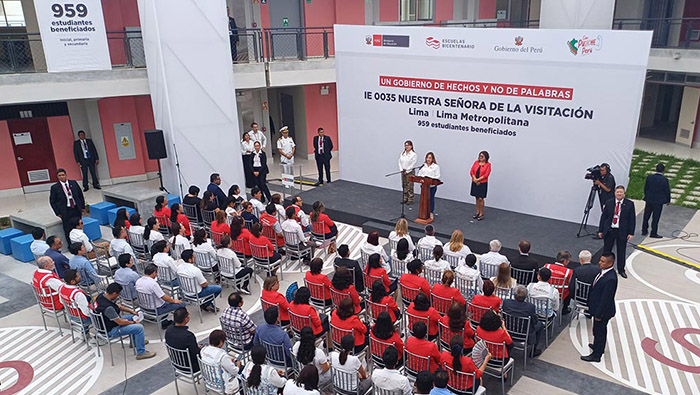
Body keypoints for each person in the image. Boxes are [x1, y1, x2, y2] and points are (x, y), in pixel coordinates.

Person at [94, 283, 156, 360]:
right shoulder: (108, 308)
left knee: (132, 317)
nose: (119, 296)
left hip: (106, 323)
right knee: (139, 328)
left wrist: (131, 311)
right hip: (111, 330)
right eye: (118, 294)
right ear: (114, 293)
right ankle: (141, 353)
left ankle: (135, 342)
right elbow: (120, 322)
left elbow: (117, 306)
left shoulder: (101, 296)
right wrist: (133, 323)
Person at [581, 252, 618, 363]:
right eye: (600, 260)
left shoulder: (610, 278)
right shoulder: (603, 273)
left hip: (603, 312)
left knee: (599, 331)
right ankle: (598, 346)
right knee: (597, 330)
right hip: (597, 308)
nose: (599, 263)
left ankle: (596, 355)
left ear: (610, 263)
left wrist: (598, 314)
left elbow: (605, 299)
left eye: (602, 261)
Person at [598, 185, 635, 278]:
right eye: (617, 192)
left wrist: (631, 232)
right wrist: (601, 230)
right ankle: (603, 268)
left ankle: (621, 269)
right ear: (615, 193)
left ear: (624, 193)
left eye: (621, 192)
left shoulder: (629, 204)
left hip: (622, 231)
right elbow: (604, 217)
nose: (619, 194)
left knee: (621, 251)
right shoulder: (609, 202)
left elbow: (632, 219)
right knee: (606, 250)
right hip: (610, 230)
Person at [502, 285, 544, 357]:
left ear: (514, 295)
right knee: (540, 325)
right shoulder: (530, 307)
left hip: (508, 330)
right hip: (524, 333)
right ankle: (533, 350)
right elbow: (535, 322)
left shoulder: (506, 303)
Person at [49, 168, 85, 242]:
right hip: (65, 211)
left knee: (79, 226)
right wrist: (57, 212)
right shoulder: (55, 187)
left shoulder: (74, 183)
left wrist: (82, 207)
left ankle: (81, 242)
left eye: (63, 175)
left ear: (66, 175)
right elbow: (52, 201)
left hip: (76, 209)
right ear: (57, 177)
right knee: (68, 229)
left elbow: (80, 195)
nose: (62, 177)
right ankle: (70, 245)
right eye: (60, 175)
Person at [201, 329, 241, 394]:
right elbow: (234, 371)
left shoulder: (204, 350)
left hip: (209, 381)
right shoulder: (222, 356)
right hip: (223, 385)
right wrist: (238, 364)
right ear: (221, 342)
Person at [165, 308, 201, 372]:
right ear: (186, 319)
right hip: (190, 366)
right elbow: (196, 354)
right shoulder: (188, 336)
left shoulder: (169, 330)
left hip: (176, 363)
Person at [642, 162, 671, 238]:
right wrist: (668, 200)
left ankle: (644, 230)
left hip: (649, 199)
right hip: (659, 201)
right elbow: (667, 191)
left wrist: (647, 196)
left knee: (646, 215)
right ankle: (653, 232)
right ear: (663, 170)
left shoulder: (649, 177)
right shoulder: (664, 180)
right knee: (656, 217)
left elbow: (646, 188)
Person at [544, 250, 573, 315]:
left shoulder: (547, 266)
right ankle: (564, 309)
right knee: (570, 289)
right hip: (561, 294)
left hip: (546, 290)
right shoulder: (569, 272)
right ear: (565, 261)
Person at [417, 152, 440, 218]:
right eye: (427, 158)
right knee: (423, 199)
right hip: (424, 186)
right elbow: (419, 174)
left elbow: (437, 176)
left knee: (431, 199)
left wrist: (430, 179)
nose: (428, 159)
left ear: (432, 159)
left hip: (432, 186)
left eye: (430, 158)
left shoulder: (436, 166)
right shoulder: (423, 166)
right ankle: (423, 212)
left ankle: (431, 212)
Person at [469, 150, 491, 221]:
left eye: (482, 156)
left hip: (482, 183)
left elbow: (486, 175)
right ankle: (477, 212)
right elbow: (471, 171)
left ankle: (481, 213)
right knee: (477, 197)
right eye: (480, 156)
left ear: (486, 157)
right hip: (475, 182)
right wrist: (475, 179)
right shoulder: (476, 163)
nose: (480, 157)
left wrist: (478, 180)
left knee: (481, 198)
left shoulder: (488, 165)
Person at [398, 140, 417, 205]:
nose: (407, 147)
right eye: (405, 145)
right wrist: (401, 170)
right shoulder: (403, 153)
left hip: (410, 172)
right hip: (403, 171)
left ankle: (410, 199)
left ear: (411, 146)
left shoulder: (413, 154)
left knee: (410, 185)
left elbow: (413, 164)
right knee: (404, 185)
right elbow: (399, 162)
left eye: (408, 145)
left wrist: (407, 171)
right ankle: (405, 198)